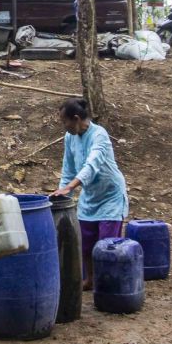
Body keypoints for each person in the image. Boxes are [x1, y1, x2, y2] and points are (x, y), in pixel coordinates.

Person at [51, 98, 129, 291]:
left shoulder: (99, 135)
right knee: (85, 245)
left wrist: (70, 187)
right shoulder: (70, 138)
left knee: (105, 246)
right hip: (90, 196)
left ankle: (107, 285)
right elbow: (68, 169)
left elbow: (91, 165)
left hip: (110, 196)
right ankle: (91, 279)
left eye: (65, 122)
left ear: (76, 118)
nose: (64, 126)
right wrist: (62, 198)